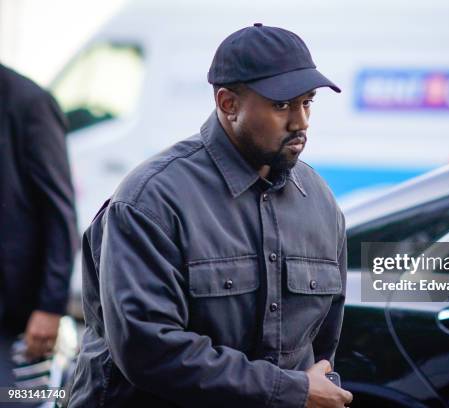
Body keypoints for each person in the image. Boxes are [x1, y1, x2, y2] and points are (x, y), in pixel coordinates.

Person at [68, 24, 353, 407]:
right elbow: (149, 349)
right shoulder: (151, 200)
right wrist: (288, 391)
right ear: (228, 104)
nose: (300, 121)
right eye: (281, 105)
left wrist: (304, 388)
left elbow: (321, 346)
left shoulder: (319, 201)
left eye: (308, 102)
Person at [0, 64, 78, 384]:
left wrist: (50, 307)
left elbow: (60, 214)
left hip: (14, 313)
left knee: (20, 398)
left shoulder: (29, 102)